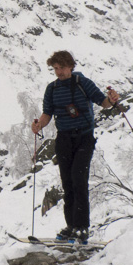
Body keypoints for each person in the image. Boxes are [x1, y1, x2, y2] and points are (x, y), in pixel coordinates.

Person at [30, 49, 119, 244]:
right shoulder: (51, 89)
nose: (58, 72)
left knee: (79, 179)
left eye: (61, 67)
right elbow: (47, 114)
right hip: (64, 139)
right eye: (55, 68)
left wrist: (111, 100)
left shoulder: (83, 83)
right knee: (67, 183)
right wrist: (39, 125)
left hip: (84, 138)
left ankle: (82, 228)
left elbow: (102, 102)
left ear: (71, 66)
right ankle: (71, 227)